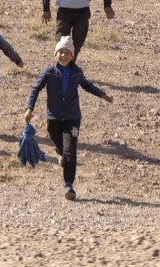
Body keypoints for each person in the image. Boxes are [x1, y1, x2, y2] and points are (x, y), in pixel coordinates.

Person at [24, 35, 113, 201]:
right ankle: (60, 152)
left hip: (72, 117)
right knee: (57, 141)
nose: (64, 55)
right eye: (61, 52)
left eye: (67, 53)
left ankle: (69, 185)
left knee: (70, 150)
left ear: (72, 56)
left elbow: (87, 85)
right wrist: (29, 107)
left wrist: (102, 94)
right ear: (55, 54)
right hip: (54, 116)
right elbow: (35, 89)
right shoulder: (49, 72)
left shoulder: (76, 73)